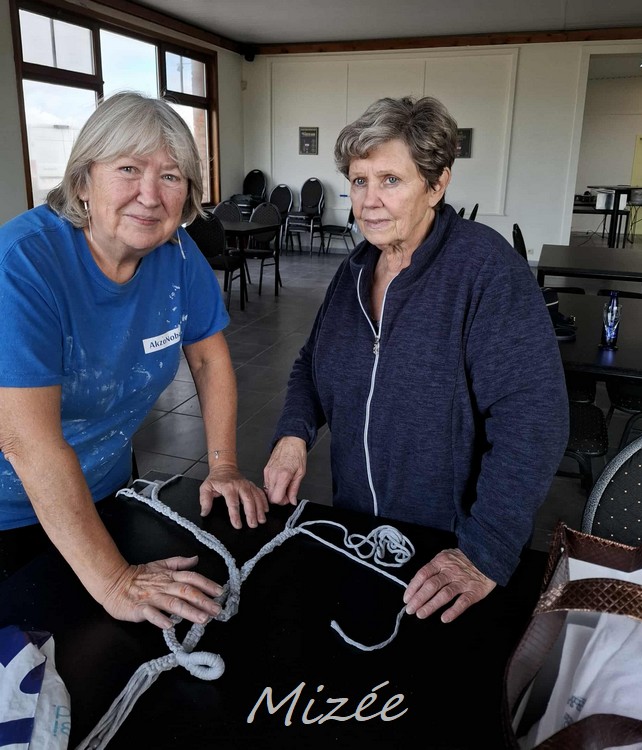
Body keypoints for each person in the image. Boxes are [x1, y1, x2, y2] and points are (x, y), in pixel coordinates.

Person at [263, 96, 569, 623]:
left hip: (449, 544)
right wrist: (294, 433)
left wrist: (485, 550)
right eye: (359, 181)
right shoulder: (355, 271)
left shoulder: (485, 271)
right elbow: (313, 363)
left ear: (437, 184)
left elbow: (535, 419)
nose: (369, 202)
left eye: (390, 180)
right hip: (364, 531)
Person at [0, 92, 268, 629]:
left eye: (170, 176)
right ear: (83, 181)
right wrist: (114, 581)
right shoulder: (23, 264)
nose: (150, 195)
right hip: (10, 513)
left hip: (106, 488)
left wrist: (223, 465)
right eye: (128, 169)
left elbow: (210, 362)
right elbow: (27, 441)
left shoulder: (178, 256)